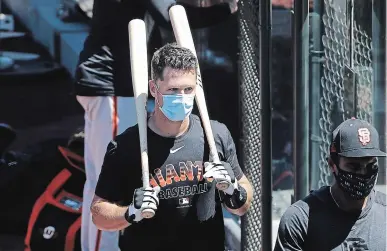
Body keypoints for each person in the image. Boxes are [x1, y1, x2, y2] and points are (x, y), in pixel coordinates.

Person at [90, 43, 253, 251]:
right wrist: (130, 213)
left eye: (188, 89)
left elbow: (243, 205)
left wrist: (233, 189)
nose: (182, 97)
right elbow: (98, 214)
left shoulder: (215, 135)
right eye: (173, 90)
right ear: (153, 89)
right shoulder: (125, 146)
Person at [274, 118, 386, 251]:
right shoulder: (301, 220)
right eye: (353, 166)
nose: (363, 173)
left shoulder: (383, 211)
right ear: (332, 165)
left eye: (370, 165)